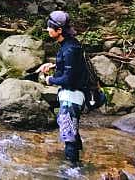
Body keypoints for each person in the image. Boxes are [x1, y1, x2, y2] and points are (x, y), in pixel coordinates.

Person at [38, 10, 87, 165]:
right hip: (70, 95)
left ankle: (72, 169)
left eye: (50, 27)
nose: (47, 29)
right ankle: (78, 165)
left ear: (59, 30)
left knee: (69, 135)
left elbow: (68, 78)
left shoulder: (70, 48)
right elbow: (71, 67)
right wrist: (53, 66)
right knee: (72, 133)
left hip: (73, 97)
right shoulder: (68, 44)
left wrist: (50, 79)